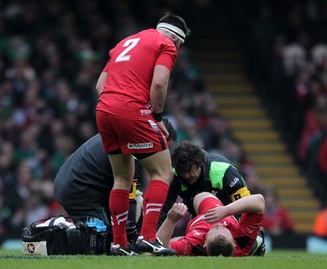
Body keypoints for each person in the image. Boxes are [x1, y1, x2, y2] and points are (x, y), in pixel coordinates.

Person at [95, 12, 191, 256]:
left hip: (104, 110)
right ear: (174, 37)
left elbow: (99, 85)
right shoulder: (165, 43)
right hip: (131, 109)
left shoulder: (125, 42)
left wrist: (116, 106)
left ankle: (119, 245)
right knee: (163, 172)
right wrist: (156, 117)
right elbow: (159, 83)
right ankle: (148, 237)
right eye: (179, 44)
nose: (177, 49)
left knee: (121, 178)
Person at [53, 118, 177, 247]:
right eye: (165, 148)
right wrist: (133, 238)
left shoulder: (124, 133)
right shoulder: (134, 151)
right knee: (103, 239)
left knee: (102, 233)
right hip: (80, 189)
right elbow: (128, 200)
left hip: (71, 183)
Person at [161, 140, 252, 222]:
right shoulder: (174, 175)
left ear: (199, 163)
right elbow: (163, 210)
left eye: (189, 170)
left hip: (232, 217)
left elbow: (246, 204)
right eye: (182, 172)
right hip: (200, 221)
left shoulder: (223, 170)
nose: (186, 176)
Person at [156, 192, 265, 256]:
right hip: (216, 211)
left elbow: (159, 247)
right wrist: (226, 210)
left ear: (205, 243)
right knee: (201, 195)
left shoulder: (193, 245)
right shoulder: (241, 238)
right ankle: (258, 241)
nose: (218, 225)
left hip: (202, 218)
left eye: (215, 230)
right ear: (233, 242)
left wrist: (170, 220)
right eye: (223, 230)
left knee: (173, 244)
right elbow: (259, 201)